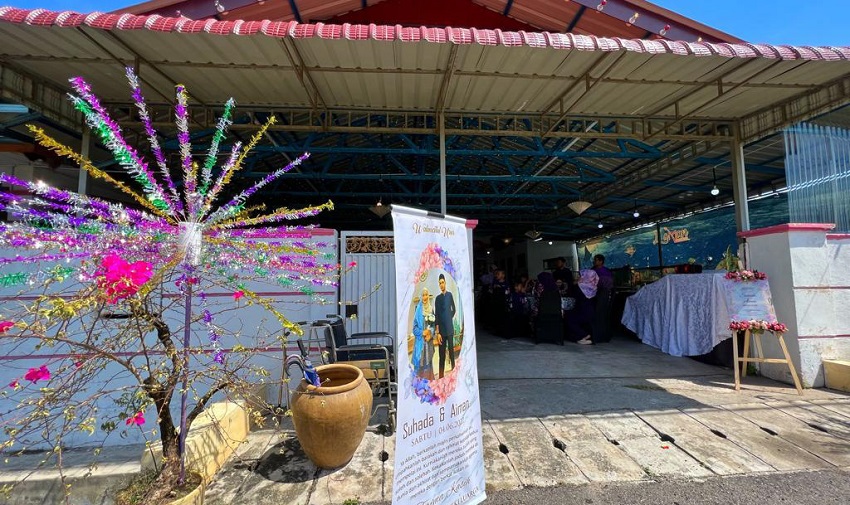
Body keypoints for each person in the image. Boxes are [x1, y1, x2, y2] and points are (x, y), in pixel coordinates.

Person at [565, 269, 598, 345]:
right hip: (591, 311)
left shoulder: (579, 287)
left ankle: (583, 335)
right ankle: (583, 337)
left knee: (568, 318)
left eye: (580, 276)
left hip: (582, 311)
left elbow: (570, 295)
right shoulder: (594, 287)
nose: (578, 277)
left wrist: (575, 284)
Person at [434, 273, 457, 379]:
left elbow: (454, 309)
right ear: (439, 285)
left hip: (450, 330)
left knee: (452, 353)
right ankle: (441, 376)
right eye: (440, 283)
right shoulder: (437, 299)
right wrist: (437, 332)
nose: (441, 285)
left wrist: (448, 318)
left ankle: (454, 375)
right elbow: (437, 316)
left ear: (445, 283)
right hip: (442, 332)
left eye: (442, 282)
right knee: (441, 355)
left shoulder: (450, 295)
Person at [533, 271, 563, 345]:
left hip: (542, 314)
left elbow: (537, 301)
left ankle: (537, 335)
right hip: (556, 315)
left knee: (531, 314)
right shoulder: (556, 289)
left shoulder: (540, 287)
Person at [420, 288, 436, 380]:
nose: (425, 297)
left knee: (429, 360)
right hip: (421, 340)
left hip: (429, 340)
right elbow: (416, 325)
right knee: (421, 361)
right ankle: (421, 381)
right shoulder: (418, 310)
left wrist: (430, 333)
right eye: (423, 295)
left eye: (426, 295)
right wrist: (422, 332)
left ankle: (430, 380)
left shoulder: (431, 309)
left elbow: (433, 325)